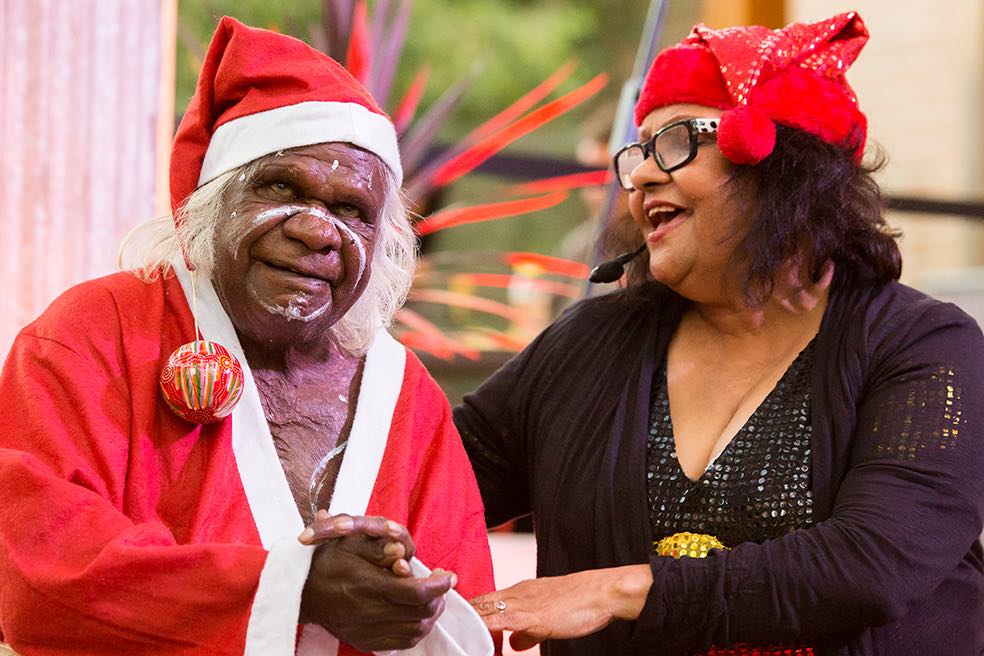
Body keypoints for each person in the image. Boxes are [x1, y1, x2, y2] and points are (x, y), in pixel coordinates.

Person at [455, 12, 984, 655]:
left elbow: (873, 563)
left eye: (674, 142)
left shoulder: (924, 346)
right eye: (638, 152)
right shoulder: (585, 344)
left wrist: (619, 592)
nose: (643, 176)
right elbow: (438, 480)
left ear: (783, 163)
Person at [0, 17, 494, 656]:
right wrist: (295, 588)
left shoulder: (405, 395)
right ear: (210, 202)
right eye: (282, 187)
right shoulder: (95, 335)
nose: (318, 231)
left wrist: (412, 602)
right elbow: (36, 580)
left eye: (352, 211)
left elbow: (475, 617)